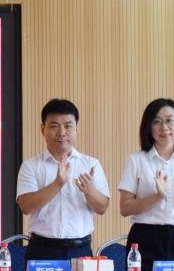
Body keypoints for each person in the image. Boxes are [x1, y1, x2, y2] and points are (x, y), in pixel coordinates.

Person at [118, 98, 174, 271]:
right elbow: (125, 208)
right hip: (145, 239)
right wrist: (158, 196)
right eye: (156, 121)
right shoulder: (136, 160)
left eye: (169, 120)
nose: (164, 127)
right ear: (148, 126)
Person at [16, 99, 110, 261]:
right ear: (43, 129)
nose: (62, 132)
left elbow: (102, 208)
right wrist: (57, 184)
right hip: (42, 250)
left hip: (80, 250)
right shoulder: (31, 166)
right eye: (54, 126)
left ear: (76, 129)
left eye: (68, 126)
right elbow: (26, 206)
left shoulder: (91, 164)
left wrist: (89, 191)